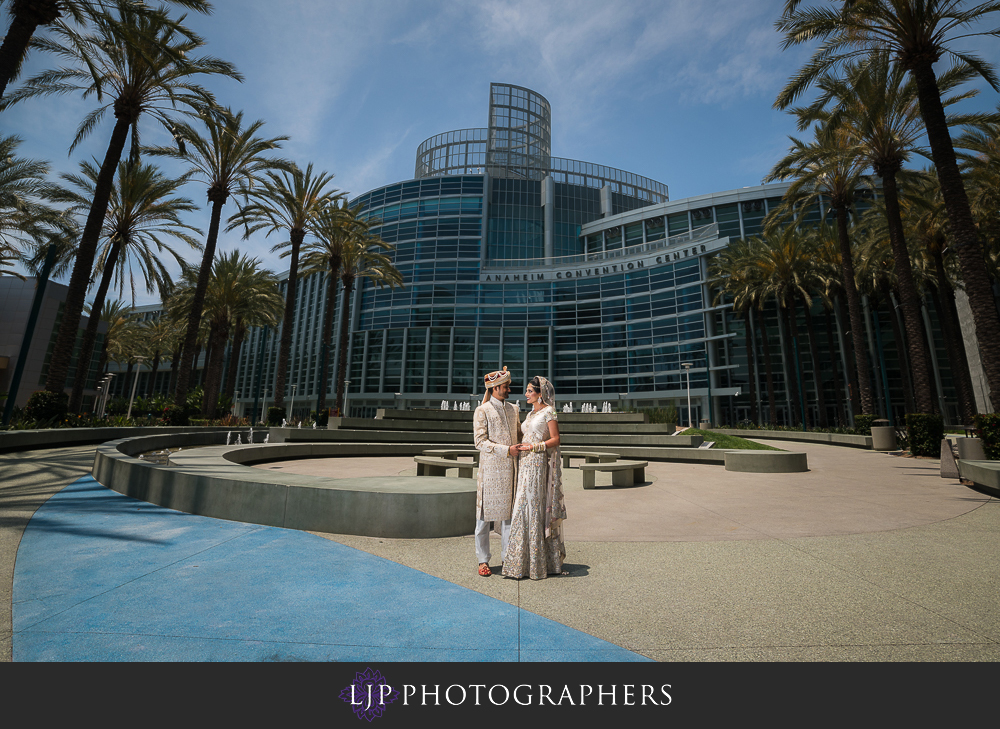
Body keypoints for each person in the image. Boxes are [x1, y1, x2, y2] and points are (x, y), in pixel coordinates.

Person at [503, 375, 566, 580]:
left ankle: (537, 564)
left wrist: (534, 447)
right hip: (524, 463)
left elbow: (556, 439)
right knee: (521, 506)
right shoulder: (530, 414)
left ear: (540, 394)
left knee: (532, 506)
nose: (526, 394)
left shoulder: (549, 411)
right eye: (527, 390)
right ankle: (519, 562)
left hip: (538, 463)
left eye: (530, 391)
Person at [472, 366, 521, 577]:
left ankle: (507, 558)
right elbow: (479, 442)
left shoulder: (514, 409)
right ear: (494, 388)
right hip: (490, 472)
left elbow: (519, 434)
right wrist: (506, 450)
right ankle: (483, 560)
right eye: (505, 386)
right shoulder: (481, 410)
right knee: (483, 520)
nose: (508, 389)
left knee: (509, 518)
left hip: (511, 471)